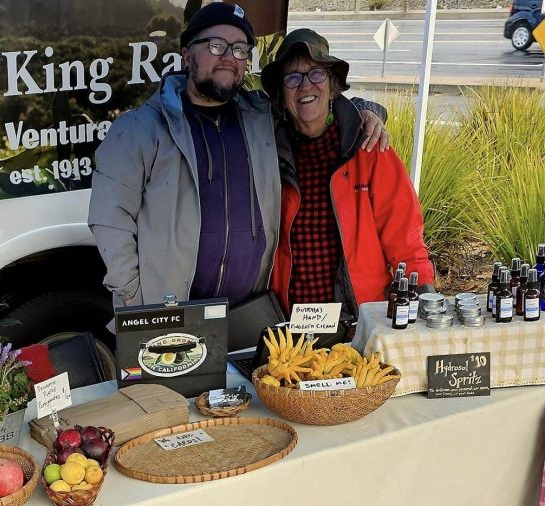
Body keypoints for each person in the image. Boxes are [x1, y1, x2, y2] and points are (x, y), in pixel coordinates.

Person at [88, 3, 388, 310]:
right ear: (187, 54)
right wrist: (133, 296)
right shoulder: (139, 128)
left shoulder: (261, 118)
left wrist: (367, 111)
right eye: (216, 45)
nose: (229, 58)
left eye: (241, 49)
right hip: (169, 312)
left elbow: (310, 102)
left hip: (249, 312)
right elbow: (110, 218)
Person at [260, 28, 435, 343]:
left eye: (315, 74)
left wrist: (423, 303)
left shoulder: (369, 149)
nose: (305, 86)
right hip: (292, 327)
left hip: (362, 323)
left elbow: (405, 242)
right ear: (281, 96)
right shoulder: (268, 155)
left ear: (332, 83)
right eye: (292, 78)